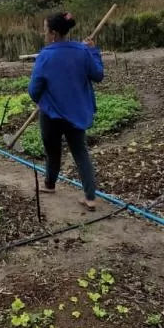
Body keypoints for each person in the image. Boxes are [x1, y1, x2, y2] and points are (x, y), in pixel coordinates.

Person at [27, 12, 104, 211]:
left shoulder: (45, 55)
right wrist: (94, 52)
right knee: (80, 152)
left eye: (45, 29)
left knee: (52, 151)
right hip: (76, 113)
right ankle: (90, 197)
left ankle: (50, 185)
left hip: (51, 114)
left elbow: (34, 90)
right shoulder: (83, 51)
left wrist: (45, 101)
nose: (44, 33)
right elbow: (98, 75)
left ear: (53, 33)